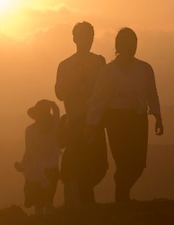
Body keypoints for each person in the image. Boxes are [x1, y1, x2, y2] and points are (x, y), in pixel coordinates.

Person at [86, 27, 164, 203]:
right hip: (115, 120)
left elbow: (152, 93)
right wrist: (91, 124)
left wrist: (157, 116)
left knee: (138, 164)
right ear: (119, 45)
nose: (132, 47)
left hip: (138, 119)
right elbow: (98, 99)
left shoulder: (144, 68)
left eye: (134, 43)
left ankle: (122, 190)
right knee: (122, 162)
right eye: (128, 43)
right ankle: (122, 198)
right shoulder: (108, 71)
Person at [55, 21, 108, 207]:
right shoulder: (66, 65)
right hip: (76, 120)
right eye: (83, 36)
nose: (87, 40)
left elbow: (105, 89)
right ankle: (82, 203)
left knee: (100, 165)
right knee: (80, 163)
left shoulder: (99, 62)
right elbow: (60, 93)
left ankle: (81, 199)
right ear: (75, 39)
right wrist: (77, 82)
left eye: (90, 36)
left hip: (94, 120)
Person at [14, 99, 62, 215]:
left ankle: (39, 217)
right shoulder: (55, 126)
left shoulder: (30, 130)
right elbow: (57, 113)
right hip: (52, 167)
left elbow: (29, 151)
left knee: (38, 202)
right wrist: (53, 105)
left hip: (36, 168)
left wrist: (22, 164)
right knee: (49, 198)